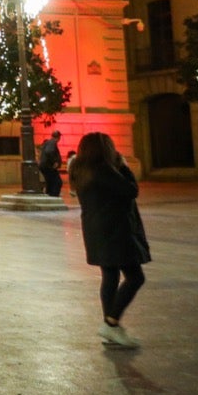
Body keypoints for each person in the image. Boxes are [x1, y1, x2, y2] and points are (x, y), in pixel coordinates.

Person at [69, 132, 151, 348]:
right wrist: (123, 167)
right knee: (135, 277)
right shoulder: (103, 170)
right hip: (116, 232)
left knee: (110, 276)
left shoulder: (79, 169)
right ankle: (111, 322)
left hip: (97, 231)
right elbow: (131, 190)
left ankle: (111, 327)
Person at [38, 130, 64, 197]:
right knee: (58, 182)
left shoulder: (48, 143)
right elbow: (49, 151)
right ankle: (53, 196)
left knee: (50, 182)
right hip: (48, 166)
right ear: (58, 137)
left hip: (45, 166)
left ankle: (49, 195)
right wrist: (55, 161)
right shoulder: (52, 142)